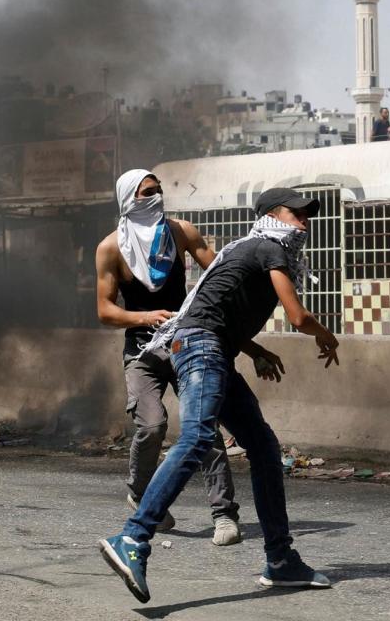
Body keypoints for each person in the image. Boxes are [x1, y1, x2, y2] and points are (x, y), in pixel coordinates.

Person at [100, 187, 340, 604]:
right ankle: (133, 538)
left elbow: (218, 310)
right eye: (295, 212)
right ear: (271, 215)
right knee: (195, 438)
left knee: (264, 447)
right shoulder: (269, 246)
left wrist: (256, 349)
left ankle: (281, 561)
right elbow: (298, 316)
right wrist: (326, 336)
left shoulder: (251, 248)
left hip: (208, 346)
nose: (304, 220)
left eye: (308, 214)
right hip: (201, 348)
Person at [96, 170, 276, 547]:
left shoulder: (180, 233)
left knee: (203, 428)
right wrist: (146, 317)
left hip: (186, 342)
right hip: (142, 350)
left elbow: (222, 282)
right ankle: (141, 493)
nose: (156, 198)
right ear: (128, 200)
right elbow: (105, 311)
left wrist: (253, 341)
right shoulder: (111, 248)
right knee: (152, 426)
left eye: (159, 191)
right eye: (147, 193)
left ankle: (224, 514)